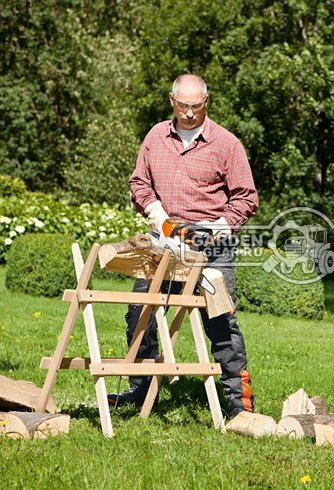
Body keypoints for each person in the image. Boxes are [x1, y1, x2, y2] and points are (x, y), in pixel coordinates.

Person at [108, 74, 259, 420]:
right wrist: (153, 209)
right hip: (163, 243)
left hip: (210, 246)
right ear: (172, 102)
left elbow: (246, 197)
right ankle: (141, 389)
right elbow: (138, 182)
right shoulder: (156, 137)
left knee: (221, 320)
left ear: (206, 102)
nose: (190, 113)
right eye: (183, 106)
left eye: (196, 106)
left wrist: (220, 226)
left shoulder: (226, 144)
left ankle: (239, 404)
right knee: (139, 312)